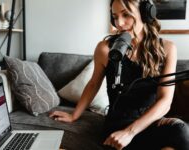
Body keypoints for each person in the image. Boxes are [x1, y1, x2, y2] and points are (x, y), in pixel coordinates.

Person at [49, 0, 189, 149]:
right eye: (115, 17)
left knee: (181, 132)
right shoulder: (105, 49)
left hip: (148, 122)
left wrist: (130, 132)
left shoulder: (167, 49)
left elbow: (165, 101)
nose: (119, 23)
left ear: (145, 13)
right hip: (118, 125)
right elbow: (93, 84)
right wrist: (74, 115)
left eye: (126, 15)